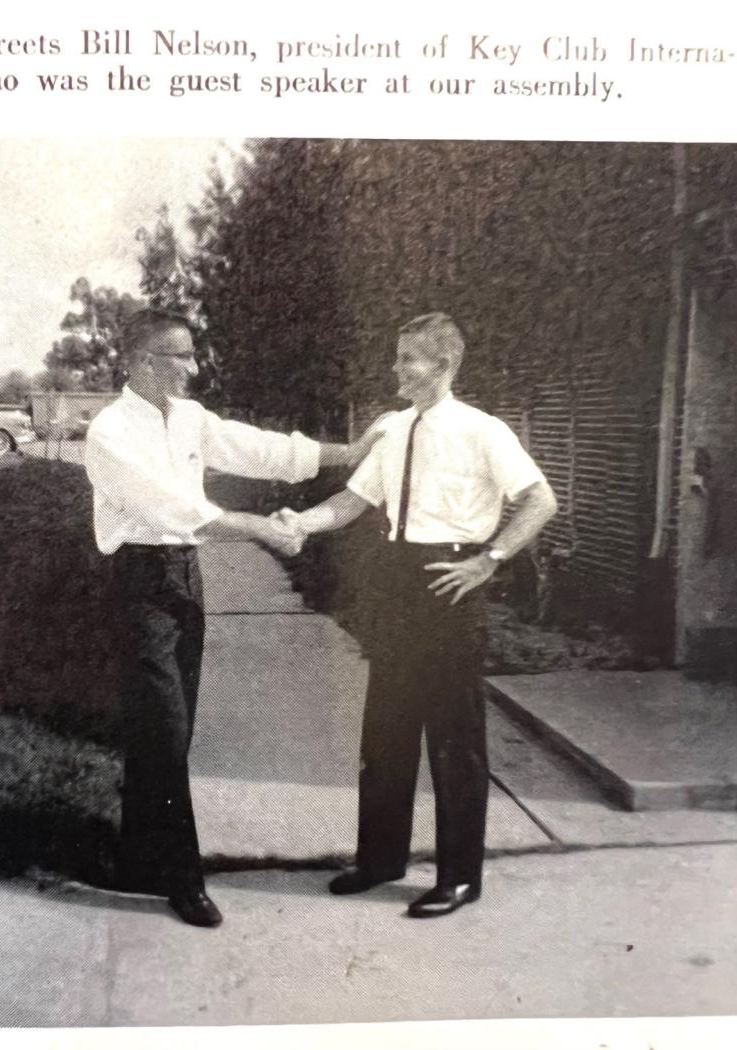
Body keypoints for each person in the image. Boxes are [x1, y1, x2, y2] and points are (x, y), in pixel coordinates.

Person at [83, 307, 382, 928]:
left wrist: (347, 453)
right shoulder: (109, 432)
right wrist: (253, 528)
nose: (194, 368)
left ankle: (138, 857)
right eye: (180, 357)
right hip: (140, 583)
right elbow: (167, 506)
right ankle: (182, 880)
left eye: (194, 355)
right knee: (164, 732)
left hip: (186, 579)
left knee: (171, 731)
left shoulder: (189, 418)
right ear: (140, 363)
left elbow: (257, 448)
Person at [275, 312, 557, 918]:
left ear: (445, 365)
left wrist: (492, 559)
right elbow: (354, 499)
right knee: (386, 728)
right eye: (397, 357)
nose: (396, 369)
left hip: (451, 582)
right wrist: (303, 522)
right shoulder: (392, 429)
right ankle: (379, 861)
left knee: (454, 736)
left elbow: (540, 499)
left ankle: (459, 877)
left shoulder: (484, 431)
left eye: (409, 360)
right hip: (397, 582)